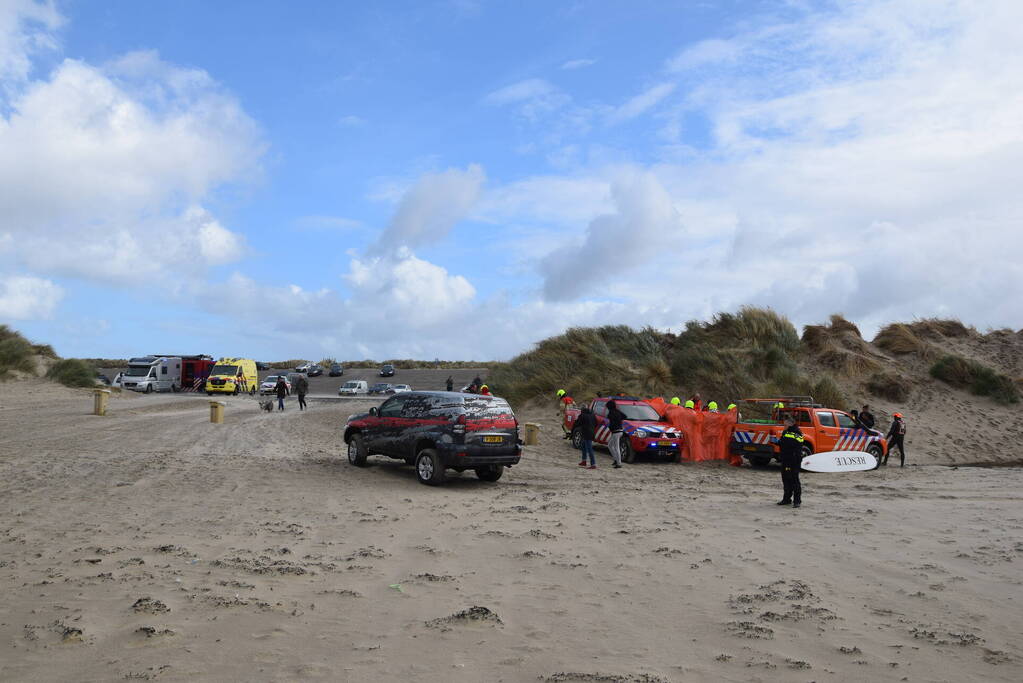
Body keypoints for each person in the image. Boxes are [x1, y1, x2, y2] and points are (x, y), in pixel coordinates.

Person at [777, 415, 804, 508]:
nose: (784, 426)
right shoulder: (785, 432)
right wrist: (777, 442)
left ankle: (797, 501)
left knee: (794, 480)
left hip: (794, 460)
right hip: (785, 459)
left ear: (790, 423)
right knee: (785, 479)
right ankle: (786, 499)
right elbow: (783, 443)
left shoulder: (798, 433)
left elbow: (797, 444)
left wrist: (784, 442)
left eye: (785, 424)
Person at [575, 404, 597, 469]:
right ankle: (584, 461)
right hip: (591, 432)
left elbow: (577, 423)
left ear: (582, 409)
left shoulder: (582, 415)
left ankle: (593, 464)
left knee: (589, 449)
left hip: (586, 433)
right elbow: (596, 423)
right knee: (584, 446)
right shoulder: (592, 415)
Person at [606, 399, 625, 469]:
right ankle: (616, 460)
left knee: (616, 447)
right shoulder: (618, 411)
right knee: (610, 445)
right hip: (620, 431)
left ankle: (619, 463)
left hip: (615, 432)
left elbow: (610, 420)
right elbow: (625, 416)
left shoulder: (611, 413)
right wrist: (619, 420)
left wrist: (611, 426)